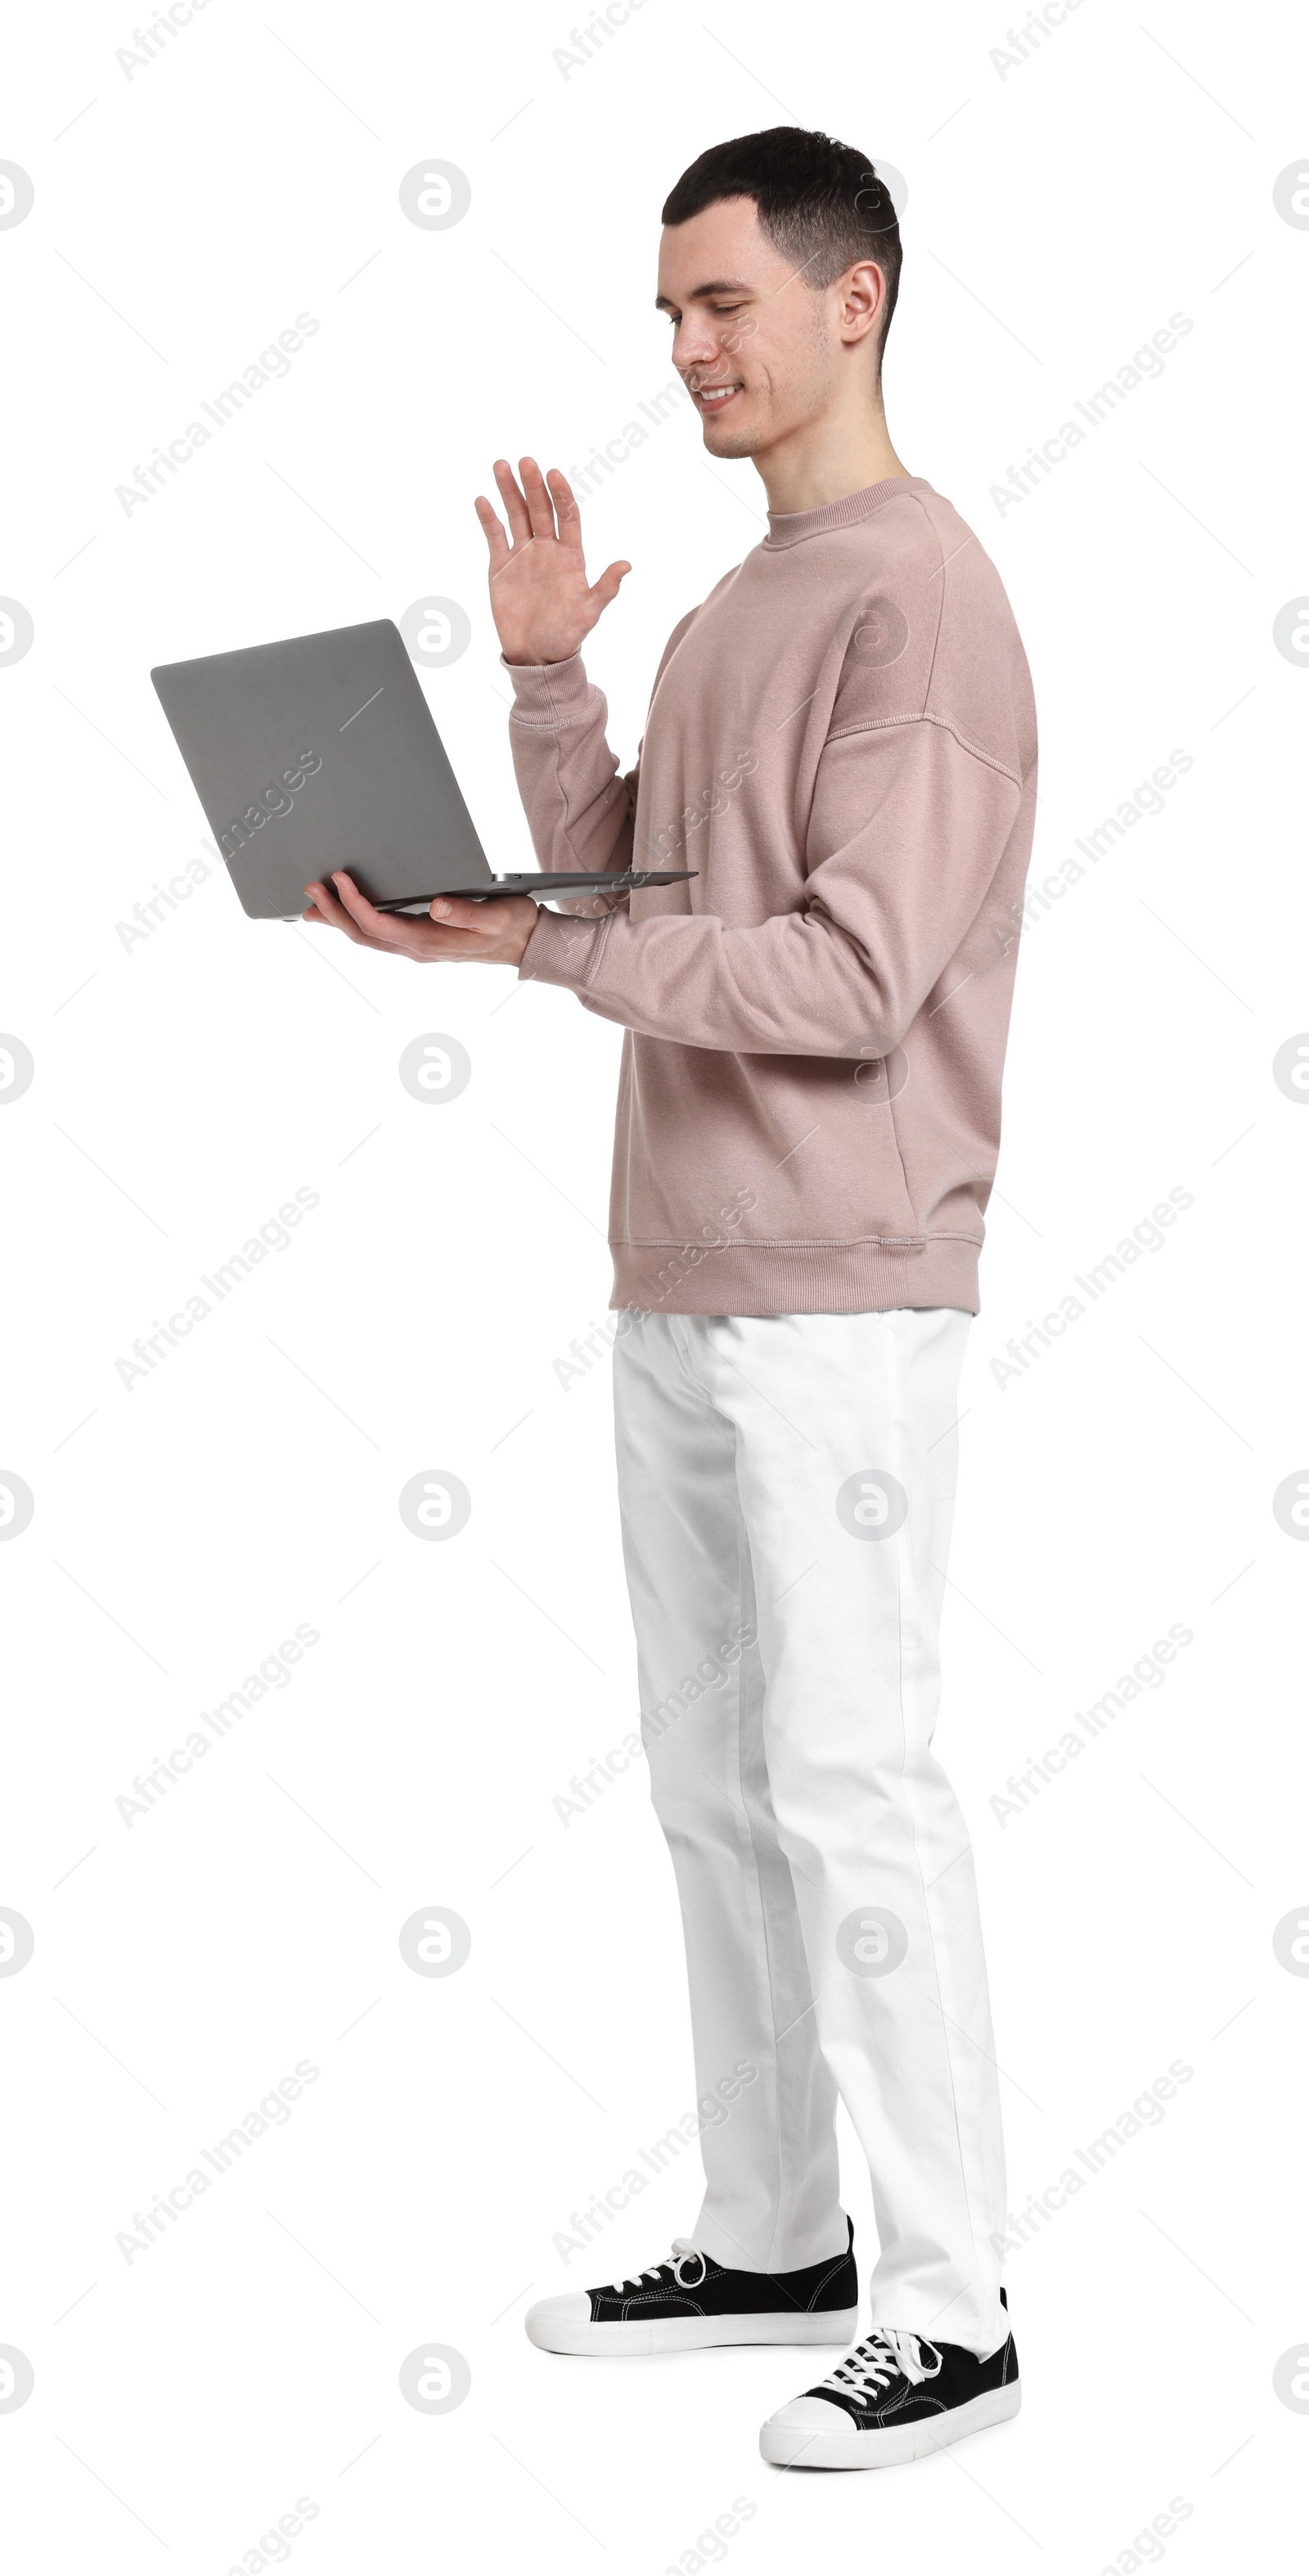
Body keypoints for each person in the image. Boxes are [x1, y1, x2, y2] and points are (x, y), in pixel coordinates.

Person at [304, 124, 1035, 2473]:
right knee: (720, 1790)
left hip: (843, 1289)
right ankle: (775, 2234)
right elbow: (640, 882)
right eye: (669, 318)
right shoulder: (738, 610)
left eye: (725, 305)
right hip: (679, 1270)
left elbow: (839, 974)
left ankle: (956, 2301)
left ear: (859, 299)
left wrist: (534, 937)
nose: (691, 351)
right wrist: (545, 700)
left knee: (854, 1786)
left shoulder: (918, 600)